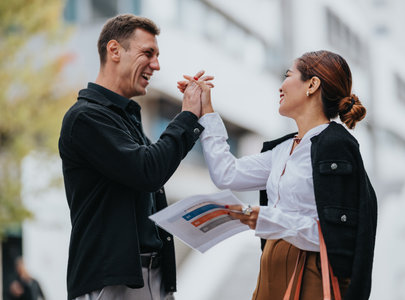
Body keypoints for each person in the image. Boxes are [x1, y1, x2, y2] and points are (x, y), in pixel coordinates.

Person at [178, 50, 377, 299]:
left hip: (311, 270)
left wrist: (271, 218)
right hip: (270, 266)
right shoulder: (282, 150)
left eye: (288, 75)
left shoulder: (336, 146)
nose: (281, 86)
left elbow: (339, 237)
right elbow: (225, 175)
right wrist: (206, 111)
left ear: (312, 85)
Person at [59, 14, 211, 300]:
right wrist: (187, 115)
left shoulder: (125, 117)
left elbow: (151, 169)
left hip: (154, 277)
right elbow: (148, 170)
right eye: (148, 53)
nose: (156, 65)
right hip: (112, 282)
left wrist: (191, 118)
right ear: (114, 50)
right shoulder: (85, 117)